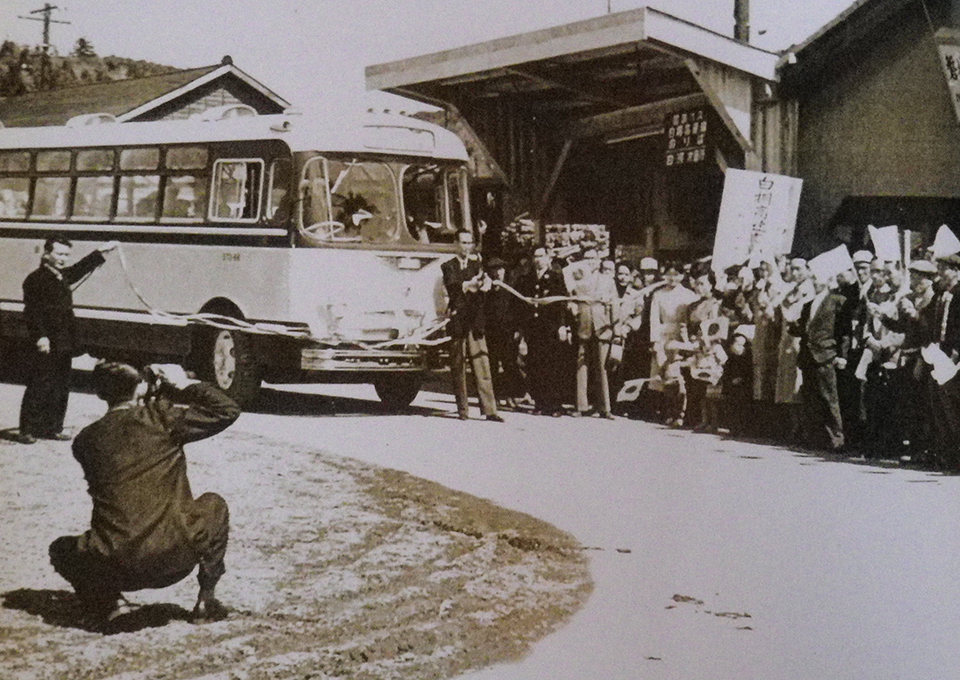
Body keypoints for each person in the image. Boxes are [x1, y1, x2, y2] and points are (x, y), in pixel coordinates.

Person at [49, 361, 241, 629]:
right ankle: (206, 600)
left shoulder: (85, 441)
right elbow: (228, 410)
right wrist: (182, 386)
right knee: (214, 504)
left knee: (61, 549)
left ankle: (110, 605)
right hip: (176, 557)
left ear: (100, 394)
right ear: (139, 388)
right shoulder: (161, 418)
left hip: (117, 564)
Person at [18, 236, 118, 444]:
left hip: (63, 340)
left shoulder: (60, 275)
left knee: (61, 385)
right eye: (60, 254)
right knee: (40, 383)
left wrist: (101, 251)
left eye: (66, 255)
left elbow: (79, 269)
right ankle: (27, 429)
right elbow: (32, 312)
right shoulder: (35, 279)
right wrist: (40, 336)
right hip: (47, 340)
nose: (63, 258)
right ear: (47, 254)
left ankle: (52, 427)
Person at [441, 231, 504, 422]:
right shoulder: (448, 266)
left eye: (469, 243)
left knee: (482, 363)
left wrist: (485, 285)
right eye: (463, 242)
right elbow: (453, 286)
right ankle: (463, 410)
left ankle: (490, 410)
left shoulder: (478, 266)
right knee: (458, 367)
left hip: (475, 322)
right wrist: (469, 284)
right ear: (456, 244)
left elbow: (484, 290)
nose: (467, 246)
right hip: (458, 322)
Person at [788, 271, 850, 451]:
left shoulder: (837, 300)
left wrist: (842, 355)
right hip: (808, 355)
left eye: (818, 277)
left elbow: (844, 330)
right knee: (811, 398)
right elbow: (803, 329)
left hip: (826, 354)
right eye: (814, 278)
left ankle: (837, 439)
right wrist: (791, 323)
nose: (815, 281)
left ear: (829, 280)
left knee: (829, 397)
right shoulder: (808, 304)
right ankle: (816, 438)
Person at [515, 246, 570, 416]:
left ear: (548, 258)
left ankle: (554, 405)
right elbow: (522, 305)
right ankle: (539, 403)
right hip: (534, 327)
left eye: (541, 256)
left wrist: (562, 325)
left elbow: (561, 303)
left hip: (550, 327)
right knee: (535, 364)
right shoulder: (527, 278)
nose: (538, 259)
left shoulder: (556, 277)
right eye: (536, 256)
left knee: (552, 366)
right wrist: (521, 329)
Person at [568, 247, 619, 418]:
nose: (590, 262)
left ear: (599, 261)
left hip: (602, 327)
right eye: (587, 258)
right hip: (583, 326)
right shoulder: (577, 281)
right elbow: (570, 300)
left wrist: (616, 329)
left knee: (602, 368)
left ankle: (605, 407)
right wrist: (572, 309)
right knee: (581, 366)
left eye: (593, 258)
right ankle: (581, 406)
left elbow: (615, 305)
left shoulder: (607, 281)